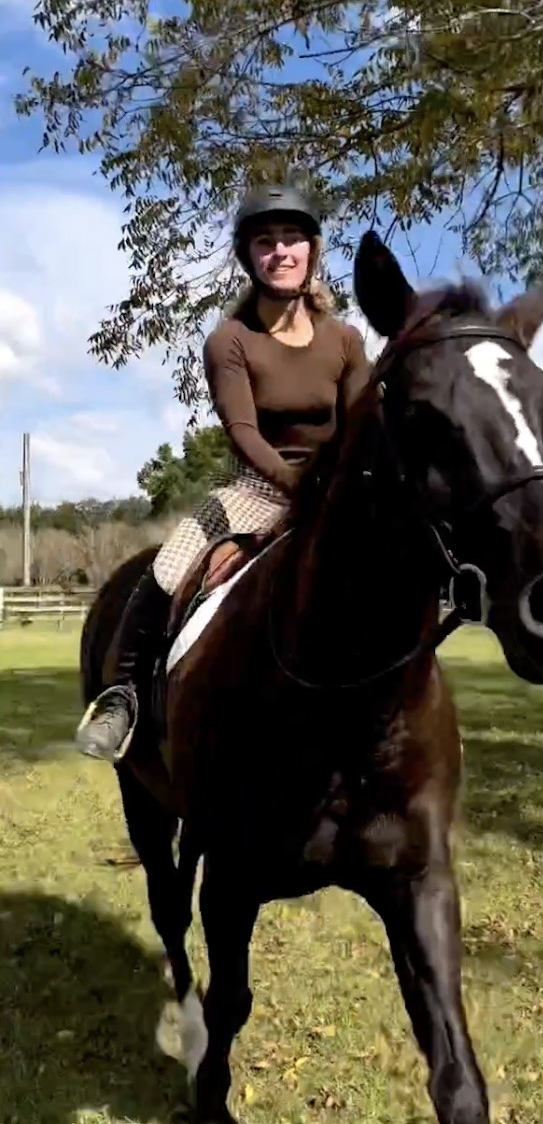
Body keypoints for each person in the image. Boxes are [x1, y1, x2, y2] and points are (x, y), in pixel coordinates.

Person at [75, 183, 371, 763]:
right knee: (169, 564)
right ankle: (123, 697)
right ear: (249, 256)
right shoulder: (230, 341)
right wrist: (299, 489)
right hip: (258, 489)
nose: (280, 251)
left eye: (291, 240)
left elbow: (362, 424)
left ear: (311, 250)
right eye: (265, 241)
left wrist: (346, 487)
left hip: (337, 490)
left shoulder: (345, 339)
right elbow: (243, 432)